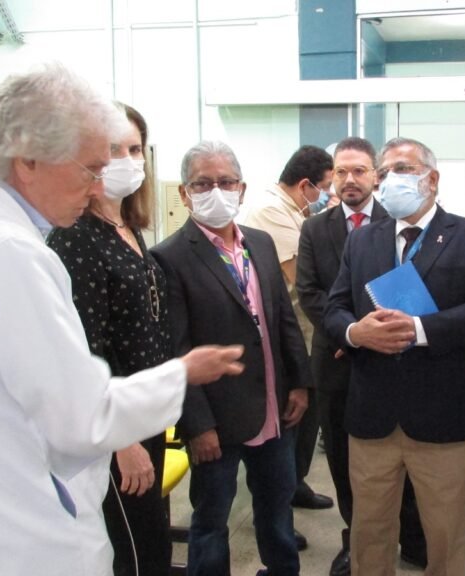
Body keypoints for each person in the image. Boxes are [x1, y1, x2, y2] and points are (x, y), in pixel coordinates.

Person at [0, 64, 244, 576]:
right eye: (90, 168)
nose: (99, 185)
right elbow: (82, 417)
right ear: (28, 159)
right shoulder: (4, 249)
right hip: (14, 529)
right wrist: (181, 373)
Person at [324, 137, 465, 576]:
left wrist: (418, 329)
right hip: (372, 415)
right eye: (384, 173)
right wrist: (356, 332)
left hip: (442, 414)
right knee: (370, 532)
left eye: (402, 170)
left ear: (432, 179)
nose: (391, 180)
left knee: (444, 533)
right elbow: (334, 308)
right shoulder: (362, 241)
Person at [151, 140, 310, 576]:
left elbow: (283, 319)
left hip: (274, 411)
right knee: (210, 521)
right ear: (184, 193)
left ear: (242, 188)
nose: (216, 191)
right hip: (217, 422)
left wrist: (299, 382)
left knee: (277, 511)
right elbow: (176, 350)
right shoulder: (168, 257)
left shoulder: (260, 243)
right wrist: (197, 425)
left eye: (225, 182)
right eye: (203, 184)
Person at [47, 103, 173, 576]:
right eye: (113, 150)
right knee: (137, 552)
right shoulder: (77, 236)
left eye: (135, 149)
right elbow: (85, 350)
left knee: (152, 541)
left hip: (143, 411)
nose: (127, 160)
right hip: (115, 425)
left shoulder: (129, 227)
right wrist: (122, 439)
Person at [296, 137, 428, 576]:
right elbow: (310, 292)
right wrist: (350, 333)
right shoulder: (315, 228)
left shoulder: (401, 220)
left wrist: (376, 334)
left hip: (393, 359)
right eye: (340, 171)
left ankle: (413, 536)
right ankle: (357, 541)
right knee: (343, 456)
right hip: (336, 359)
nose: (349, 179)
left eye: (359, 170)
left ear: (375, 174)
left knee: (401, 450)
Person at [241, 144, 336, 517]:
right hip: (287, 335)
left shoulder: (296, 210)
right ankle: (277, 505)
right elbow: (301, 276)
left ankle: (296, 484)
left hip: (307, 332)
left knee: (307, 418)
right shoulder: (270, 210)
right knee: (290, 419)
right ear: (305, 184)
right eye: (325, 187)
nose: (326, 195)